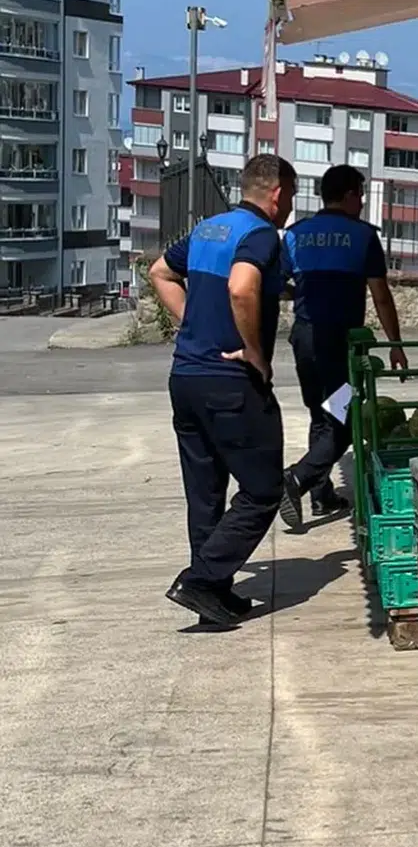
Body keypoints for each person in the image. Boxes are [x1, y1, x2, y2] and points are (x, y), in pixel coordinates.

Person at [150, 154, 297, 628]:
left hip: (186, 379)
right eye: (290, 197)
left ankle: (214, 590)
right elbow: (241, 288)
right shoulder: (260, 237)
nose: (290, 207)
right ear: (277, 195)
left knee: (205, 492)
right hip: (231, 385)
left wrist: (192, 324)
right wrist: (255, 352)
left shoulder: (208, 229)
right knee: (262, 489)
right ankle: (203, 579)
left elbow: (159, 272)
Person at [277, 163, 406, 530]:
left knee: (322, 414)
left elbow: (275, 284)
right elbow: (381, 297)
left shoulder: (296, 235)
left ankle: (321, 495)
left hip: (305, 337)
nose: (363, 202)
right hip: (340, 342)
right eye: (361, 194)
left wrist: (300, 292)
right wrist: (395, 344)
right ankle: (299, 479)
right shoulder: (362, 236)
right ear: (348, 195)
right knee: (346, 419)